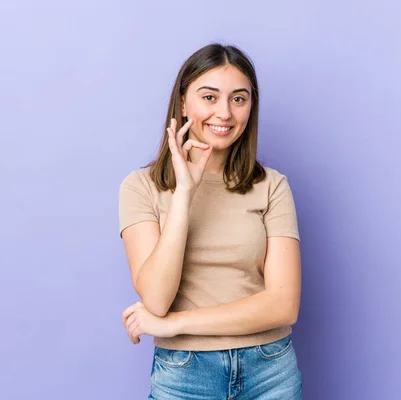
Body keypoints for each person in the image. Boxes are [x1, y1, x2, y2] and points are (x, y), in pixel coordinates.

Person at [118, 43, 303, 399]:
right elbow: (156, 298)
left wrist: (174, 324)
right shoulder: (140, 187)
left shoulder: (272, 186)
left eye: (239, 98)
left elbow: (283, 304)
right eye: (209, 97)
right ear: (184, 102)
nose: (225, 113)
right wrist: (185, 192)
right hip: (185, 375)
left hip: (270, 372)